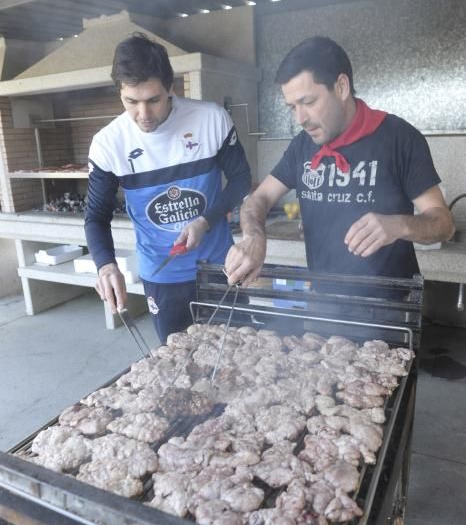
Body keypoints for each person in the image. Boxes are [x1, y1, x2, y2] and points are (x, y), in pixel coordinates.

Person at [225, 36, 454, 289]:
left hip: (391, 310)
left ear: (342, 87)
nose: (300, 118)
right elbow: (259, 199)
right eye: (292, 107)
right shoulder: (302, 146)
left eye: (309, 102)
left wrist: (397, 225)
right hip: (324, 307)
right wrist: (254, 238)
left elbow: (443, 224)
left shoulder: (399, 138)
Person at [85, 32, 251, 342]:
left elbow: (241, 180)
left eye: (153, 100)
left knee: (239, 354)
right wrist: (105, 265)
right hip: (162, 277)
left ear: (170, 88)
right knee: (175, 365)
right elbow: (95, 216)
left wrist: (205, 220)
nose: (143, 115)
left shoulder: (211, 119)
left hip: (220, 267)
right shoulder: (108, 144)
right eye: (131, 102)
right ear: (119, 92)